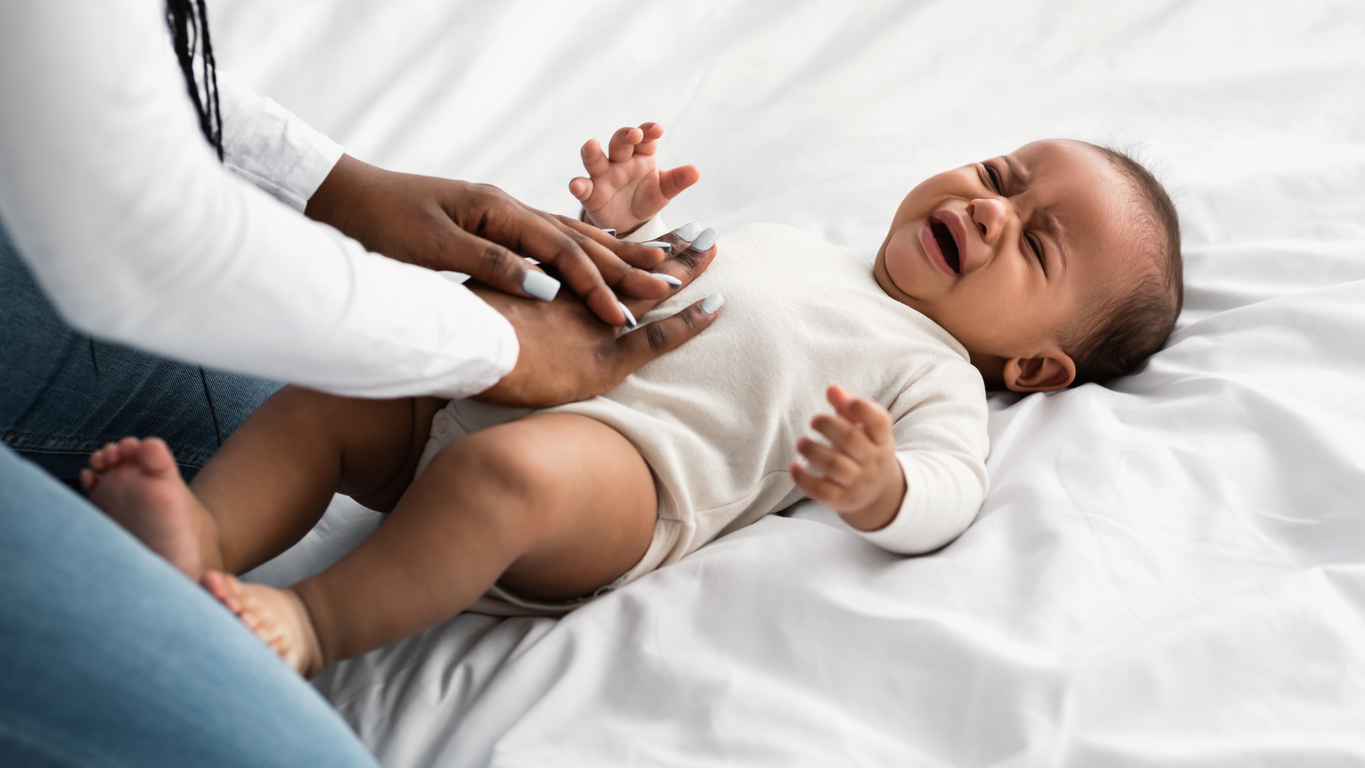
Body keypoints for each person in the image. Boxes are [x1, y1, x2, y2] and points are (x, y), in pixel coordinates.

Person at [80, 122, 1183, 678]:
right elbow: (622, 287)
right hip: (498, 376)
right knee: (344, 381)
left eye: (1035, 243)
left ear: (1036, 369)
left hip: (621, 480)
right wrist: (614, 227)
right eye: (1000, 175)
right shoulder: (794, 241)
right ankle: (206, 531)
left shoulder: (934, 371)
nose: (991, 209)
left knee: (499, 474)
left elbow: (951, 487)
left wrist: (884, 484)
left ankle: (311, 620)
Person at [0, 2, 717, 765]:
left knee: (447, 454)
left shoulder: (866, 335)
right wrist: (496, 334)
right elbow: (139, 241)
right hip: (527, 386)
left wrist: (336, 185)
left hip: (638, 457)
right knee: (324, 402)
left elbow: (75, 70)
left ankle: (301, 611)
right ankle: (261, 584)